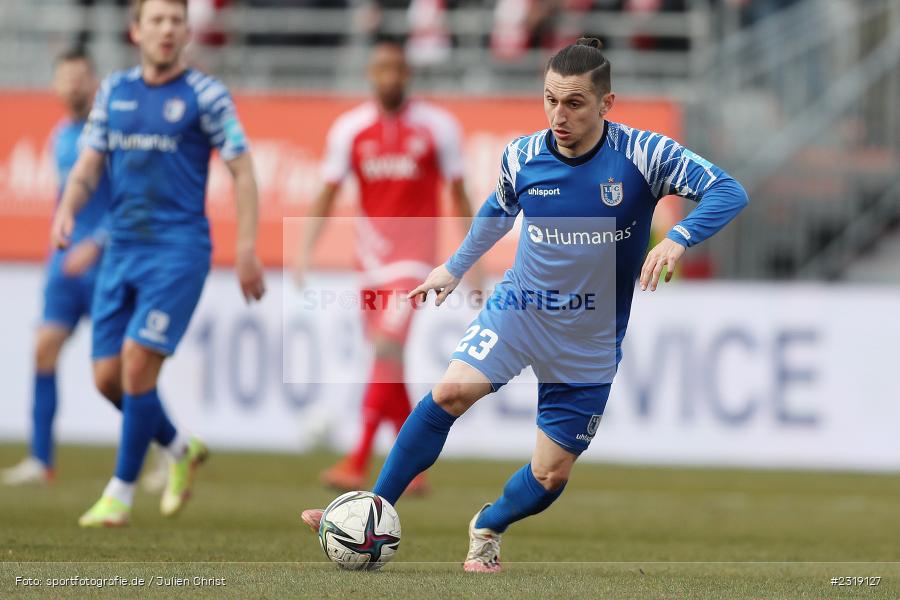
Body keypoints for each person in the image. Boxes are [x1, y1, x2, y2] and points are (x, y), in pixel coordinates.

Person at [301, 38, 748, 571]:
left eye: (575, 103)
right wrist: (453, 267)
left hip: (590, 334)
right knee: (449, 392)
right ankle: (369, 511)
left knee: (551, 475)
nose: (559, 115)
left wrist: (679, 236)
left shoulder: (645, 154)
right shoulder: (524, 155)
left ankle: (488, 523)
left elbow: (728, 189)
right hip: (521, 307)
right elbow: (496, 210)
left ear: (606, 104)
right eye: (550, 100)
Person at [51, 0, 265, 527]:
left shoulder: (206, 94)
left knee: (136, 364)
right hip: (122, 249)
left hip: (178, 251)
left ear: (188, 31)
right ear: (136, 31)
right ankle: (178, 446)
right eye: (157, 20)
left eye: (176, 21)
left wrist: (245, 246)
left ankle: (119, 493)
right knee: (107, 380)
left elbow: (242, 170)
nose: (168, 29)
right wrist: (67, 208)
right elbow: (89, 164)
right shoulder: (114, 92)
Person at [295, 37, 477, 494]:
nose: (391, 77)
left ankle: (358, 460)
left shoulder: (438, 127)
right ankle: (413, 464)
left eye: (398, 69)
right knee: (387, 364)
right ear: (371, 74)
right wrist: (304, 249)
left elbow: (458, 194)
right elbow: (327, 191)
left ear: (408, 74)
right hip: (370, 262)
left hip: (414, 263)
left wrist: (472, 259)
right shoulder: (349, 129)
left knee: (386, 351)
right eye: (383, 69)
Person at [2, 49, 112, 486]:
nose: (72, 85)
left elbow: (125, 199)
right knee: (43, 348)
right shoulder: (58, 136)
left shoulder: (109, 135)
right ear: (55, 86)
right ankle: (40, 459)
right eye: (65, 77)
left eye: (80, 77)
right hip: (63, 266)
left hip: (105, 264)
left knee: (123, 369)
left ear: (94, 82)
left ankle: (166, 448)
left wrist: (98, 243)